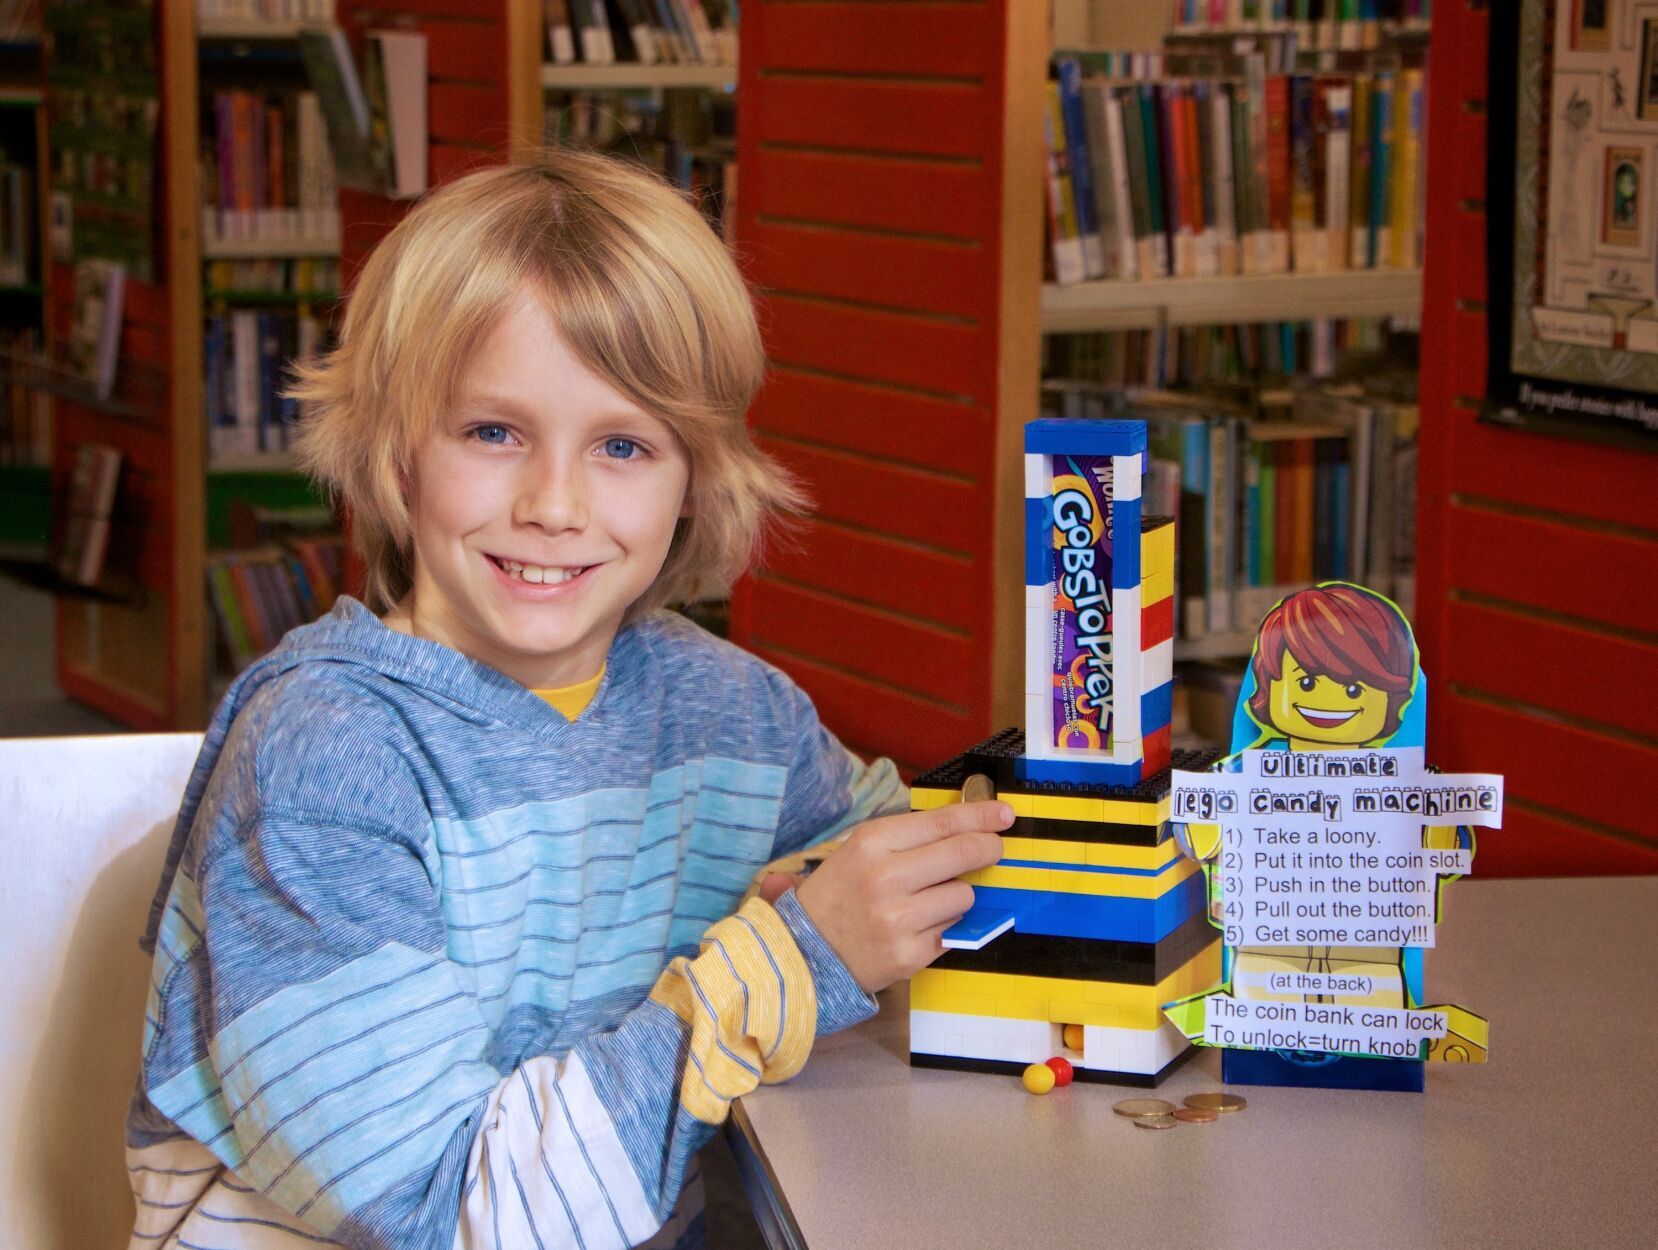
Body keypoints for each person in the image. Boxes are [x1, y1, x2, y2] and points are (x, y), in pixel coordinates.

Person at [126, 151, 1009, 1250]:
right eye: (492, 432)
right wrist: (794, 958)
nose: (553, 503)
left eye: (623, 444)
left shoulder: (733, 712)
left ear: (695, 478)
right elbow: (437, 1207)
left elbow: (888, 877)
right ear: (397, 448)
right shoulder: (327, 754)